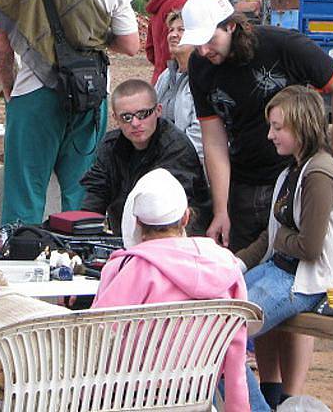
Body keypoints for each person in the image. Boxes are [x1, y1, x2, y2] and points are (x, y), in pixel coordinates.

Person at [0, 0, 139, 226]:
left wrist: (10, 89)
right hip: (89, 95)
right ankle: (75, 261)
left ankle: (17, 260)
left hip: (33, 92)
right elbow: (131, 44)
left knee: (24, 193)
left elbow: (0, 39)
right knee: (81, 191)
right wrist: (93, 41)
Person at [180, 0, 333, 252]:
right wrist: (220, 210)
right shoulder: (200, 65)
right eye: (197, 44)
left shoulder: (282, 45)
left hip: (294, 175)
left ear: (231, 25)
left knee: (294, 257)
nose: (204, 50)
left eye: (210, 40)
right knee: (243, 261)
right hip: (245, 181)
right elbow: (214, 140)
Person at [236, 85, 333, 409]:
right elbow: (272, 235)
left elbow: (309, 247)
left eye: (278, 127)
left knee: (223, 338)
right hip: (280, 268)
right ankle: (270, 399)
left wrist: (280, 239)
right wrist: (234, 264)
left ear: (301, 126)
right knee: (216, 321)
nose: (270, 135)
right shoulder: (295, 169)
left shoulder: (319, 173)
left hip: (308, 280)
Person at [92, 168, 251, 412]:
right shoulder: (227, 266)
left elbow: (96, 338)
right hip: (197, 395)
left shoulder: (131, 268)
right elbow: (237, 345)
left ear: (136, 223)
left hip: (132, 398)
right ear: (186, 218)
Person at [80, 79, 211, 235]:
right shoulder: (110, 146)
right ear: (115, 118)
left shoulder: (176, 148)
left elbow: (170, 211)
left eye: (143, 114)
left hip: (176, 237)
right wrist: (83, 233)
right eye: (126, 117)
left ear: (158, 110)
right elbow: (95, 195)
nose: (135, 123)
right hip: (126, 236)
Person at [146, 0, 220, 83]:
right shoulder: (186, 7)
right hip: (179, 84)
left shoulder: (162, 1)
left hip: (161, 82)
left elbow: (150, 51)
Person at [155, 10, 202, 162]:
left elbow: (199, 137)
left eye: (181, 30)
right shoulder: (166, 76)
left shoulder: (202, 78)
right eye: (171, 30)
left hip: (189, 163)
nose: (173, 35)